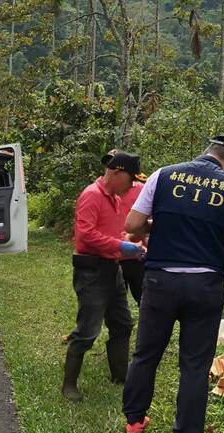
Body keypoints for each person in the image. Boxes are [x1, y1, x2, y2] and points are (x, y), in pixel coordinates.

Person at [123, 136, 224, 433]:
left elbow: (132, 225)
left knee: (146, 354)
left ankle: (134, 422)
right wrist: (205, 246)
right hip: (205, 286)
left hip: (160, 281)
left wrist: (162, 229)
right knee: (195, 365)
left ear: (206, 152)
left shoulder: (164, 175)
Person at [62, 150, 147, 402]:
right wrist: (121, 246)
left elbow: (116, 233)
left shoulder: (115, 199)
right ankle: (69, 385)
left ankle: (120, 375)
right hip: (91, 271)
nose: (132, 186)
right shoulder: (92, 196)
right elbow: (85, 235)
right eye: (130, 179)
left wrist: (131, 244)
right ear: (117, 172)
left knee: (122, 324)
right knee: (87, 330)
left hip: (112, 269)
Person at [118, 171, 147, 306]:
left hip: (137, 255)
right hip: (113, 257)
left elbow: (149, 218)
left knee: (144, 299)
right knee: (115, 303)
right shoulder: (103, 191)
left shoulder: (141, 189)